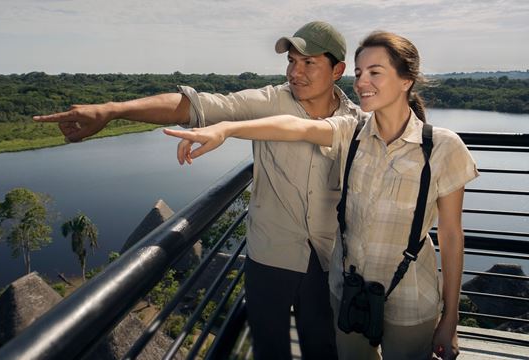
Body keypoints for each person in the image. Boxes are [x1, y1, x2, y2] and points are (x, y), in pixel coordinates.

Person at [34, 21, 359, 359]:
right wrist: (113, 110)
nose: (296, 72)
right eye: (292, 61)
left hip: (327, 258)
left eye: (309, 63)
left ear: (338, 70)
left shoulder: (355, 120)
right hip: (271, 256)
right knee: (270, 349)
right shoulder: (271, 100)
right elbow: (193, 105)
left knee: (324, 347)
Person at [164, 31, 478, 360]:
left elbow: (452, 235)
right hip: (350, 295)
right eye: (358, 73)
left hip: (412, 298)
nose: (361, 82)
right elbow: (294, 126)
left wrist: (451, 319)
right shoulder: (350, 131)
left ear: (406, 80)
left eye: (375, 72)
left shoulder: (442, 147)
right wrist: (225, 128)